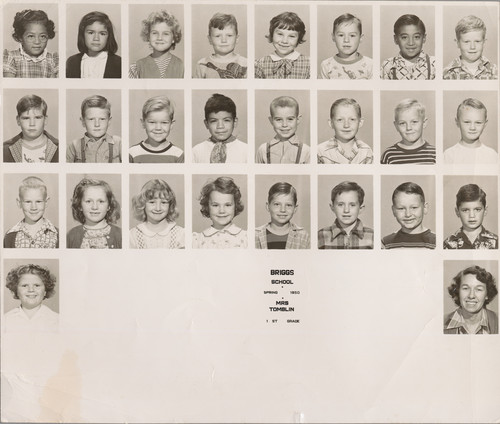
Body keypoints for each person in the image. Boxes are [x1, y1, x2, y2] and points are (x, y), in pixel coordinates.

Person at [4, 176, 58, 248]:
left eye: (38, 201)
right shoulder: (9, 237)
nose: (33, 207)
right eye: (28, 202)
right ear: (19, 203)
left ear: (46, 202)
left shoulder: (57, 235)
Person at [193, 177, 247, 249]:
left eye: (227, 205)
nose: (221, 211)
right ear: (207, 207)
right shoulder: (198, 240)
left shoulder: (246, 238)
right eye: (215, 205)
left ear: (235, 206)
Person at [67, 178, 121, 249]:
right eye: (88, 201)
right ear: (79, 205)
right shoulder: (72, 235)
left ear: (109, 206)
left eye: (101, 201)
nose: (95, 207)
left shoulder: (120, 235)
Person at [130, 179, 184, 249]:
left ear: (170, 205)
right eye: (152, 202)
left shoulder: (181, 234)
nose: (158, 208)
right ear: (142, 204)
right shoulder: (132, 236)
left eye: (163, 202)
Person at [3, 94, 59, 163]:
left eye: (37, 117)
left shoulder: (60, 148)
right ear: (18, 120)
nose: (32, 124)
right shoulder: (4, 150)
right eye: (26, 118)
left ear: (45, 120)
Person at [3, 9, 58, 78]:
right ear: (20, 37)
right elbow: (10, 85)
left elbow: (53, 86)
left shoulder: (51, 59)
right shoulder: (12, 58)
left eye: (42, 36)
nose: (37, 42)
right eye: (31, 36)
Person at [192, 94, 247, 163]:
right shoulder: (196, 151)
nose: (220, 126)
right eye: (213, 121)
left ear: (235, 122)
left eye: (226, 120)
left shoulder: (246, 151)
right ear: (206, 124)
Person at [318, 181, 373, 249]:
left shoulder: (372, 236)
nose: (346, 210)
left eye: (352, 205)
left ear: (361, 208)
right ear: (332, 207)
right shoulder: (321, 236)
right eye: (340, 205)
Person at [4, 263, 59, 332]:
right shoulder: (5, 320)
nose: (31, 290)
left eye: (37, 285)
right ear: (16, 291)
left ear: (45, 291)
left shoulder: (57, 320)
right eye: (24, 285)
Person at [66, 11, 121, 78]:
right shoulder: (72, 62)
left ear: (108, 36)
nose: (96, 38)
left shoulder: (119, 63)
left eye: (102, 34)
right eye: (91, 33)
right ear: (83, 35)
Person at [129, 10, 184, 79]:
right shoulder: (136, 68)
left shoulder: (182, 67)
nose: (160, 38)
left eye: (166, 34)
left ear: (173, 38)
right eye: (155, 33)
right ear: (148, 36)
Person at [255, 11, 310, 79]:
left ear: (299, 38)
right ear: (272, 34)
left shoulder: (309, 64)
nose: (284, 41)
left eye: (291, 36)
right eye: (280, 34)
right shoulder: (260, 64)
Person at [67, 95, 121, 163]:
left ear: (109, 121)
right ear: (83, 121)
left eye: (102, 119)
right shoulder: (73, 146)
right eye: (91, 119)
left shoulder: (118, 144)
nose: (97, 124)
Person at [444, 265, 498, 334]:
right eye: (465, 288)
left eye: (479, 289)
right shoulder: (440, 323)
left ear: (487, 294)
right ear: (458, 292)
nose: (471, 295)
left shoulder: (497, 321)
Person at [129, 96, 184, 163]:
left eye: (164, 123)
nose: (158, 128)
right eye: (152, 122)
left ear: (171, 124)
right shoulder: (132, 153)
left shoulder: (178, 155)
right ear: (143, 123)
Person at [256, 96, 310, 164]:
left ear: (298, 119)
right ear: (271, 121)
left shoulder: (306, 151)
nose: (284, 125)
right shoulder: (262, 150)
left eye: (290, 119)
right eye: (278, 119)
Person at [317, 98, 373, 164]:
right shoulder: (320, 152)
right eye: (340, 120)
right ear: (331, 123)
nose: (346, 125)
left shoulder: (367, 152)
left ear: (360, 122)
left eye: (352, 119)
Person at [255, 182, 309, 249]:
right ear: (268, 206)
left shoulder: (303, 236)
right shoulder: (255, 235)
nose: (283, 210)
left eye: (288, 205)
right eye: (277, 204)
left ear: (295, 208)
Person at [382, 181, 436, 249]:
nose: (408, 214)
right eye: (401, 208)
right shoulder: (386, 243)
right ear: (393, 211)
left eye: (414, 208)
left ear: (425, 208)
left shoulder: (436, 242)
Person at [381, 99, 435, 165]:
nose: (408, 128)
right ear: (396, 126)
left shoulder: (434, 154)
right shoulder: (389, 155)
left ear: (424, 123)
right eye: (402, 123)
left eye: (414, 122)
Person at [381, 14, 435, 80]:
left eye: (416, 37)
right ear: (396, 39)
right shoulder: (388, 66)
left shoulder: (434, 64)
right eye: (404, 37)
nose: (411, 43)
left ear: (424, 38)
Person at [444, 184, 498, 249]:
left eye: (477, 209)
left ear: (485, 210)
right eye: (465, 210)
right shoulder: (448, 244)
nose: (472, 216)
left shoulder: (496, 242)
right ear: (457, 211)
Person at [443, 98, 497, 164]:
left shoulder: (492, 156)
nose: (472, 127)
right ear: (457, 122)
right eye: (467, 122)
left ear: (485, 124)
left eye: (478, 122)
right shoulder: (448, 155)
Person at [319, 13, 372, 79]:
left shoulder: (370, 65)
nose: (346, 40)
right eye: (341, 35)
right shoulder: (326, 66)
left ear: (360, 38)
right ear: (333, 37)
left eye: (352, 35)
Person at [443, 15, 497, 80]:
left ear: (484, 42)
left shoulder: (495, 72)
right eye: (466, 42)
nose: (472, 47)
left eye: (477, 41)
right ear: (457, 43)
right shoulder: (447, 74)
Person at [195, 13, 247, 79]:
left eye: (229, 35)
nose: (224, 40)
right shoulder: (201, 65)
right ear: (210, 39)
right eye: (217, 36)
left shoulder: (245, 63)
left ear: (237, 39)